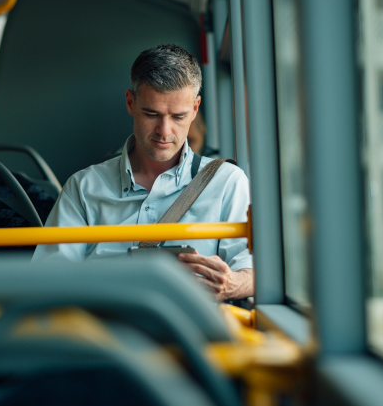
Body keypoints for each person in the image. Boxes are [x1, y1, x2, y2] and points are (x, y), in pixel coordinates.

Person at [32, 44, 253, 301]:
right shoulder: (83, 187)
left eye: (179, 116)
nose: (164, 131)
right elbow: (47, 281)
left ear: (195, 109)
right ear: (130, 102)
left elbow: (253, 270)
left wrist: (233, 283)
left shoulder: (227, 182)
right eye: (152, 114)